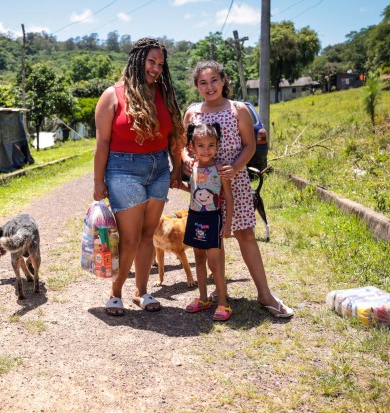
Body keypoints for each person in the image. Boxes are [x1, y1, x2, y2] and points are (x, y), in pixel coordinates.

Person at [181, 60, 294, 318]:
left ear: (223, 81)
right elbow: (183, 146)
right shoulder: (192, 114)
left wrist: (234, 167)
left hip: (236, 183)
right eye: (203, 82)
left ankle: (265, 294)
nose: (209, 87)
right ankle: (219, 295)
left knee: (245, 235)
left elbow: (250, 145)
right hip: (205, 189)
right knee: (212, 241)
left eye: (214, 81)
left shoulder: (238, 109)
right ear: (197, 86)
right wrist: (187, 160)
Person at [93, 37, 186, 316]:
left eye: (160, 64)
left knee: (149, 236)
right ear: (137, 59)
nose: (156, 68)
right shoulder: (113, 95)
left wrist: (176, 168)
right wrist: (98, 182)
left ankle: (142, 292)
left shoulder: (164, 93)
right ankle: (115, 292)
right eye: (151, 61)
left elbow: (174, 136)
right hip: (123, 170)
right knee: (130, 238)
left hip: (158, 168)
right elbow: (102, 144)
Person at [176, 123, 234, 321]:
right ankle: (203, 299)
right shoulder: (192, 167)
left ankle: (223, 303)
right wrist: (178, 185)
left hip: (212, 219)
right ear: (192, 146)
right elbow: (193, 191)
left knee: (214, 263)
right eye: (201, 146)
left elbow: (228, 197)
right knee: (198, 259)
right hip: (194, 217)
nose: (206, 150)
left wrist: (227, 225)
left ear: (217, 145)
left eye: (211, 145)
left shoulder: (220, 169)